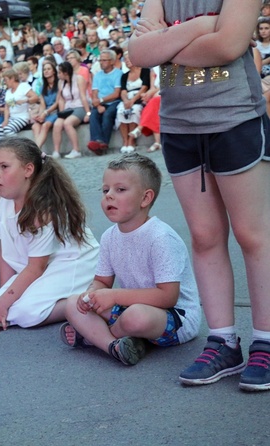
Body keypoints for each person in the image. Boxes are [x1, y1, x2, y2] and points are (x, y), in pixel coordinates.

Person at [130, 0, 270, 391]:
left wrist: (167, 42)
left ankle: (266, 342)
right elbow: (140, 54)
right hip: (179, 127)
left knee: (252, 234)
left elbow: (228, 46)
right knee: (206, 237)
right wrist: (201, 26)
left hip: (235, 117)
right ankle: (223, 340)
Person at [62, 154, 201, 365]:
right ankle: (115, 347)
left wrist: (113, 296)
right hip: (129, 308)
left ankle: (97, 337)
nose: (109, 195)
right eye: (105, 190)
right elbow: (102, 281)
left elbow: (168, 297)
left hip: (174, 318)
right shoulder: (110, 236)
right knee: (72, 303)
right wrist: (91, 294)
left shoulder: (161, 237)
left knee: (137, 316)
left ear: (145, 198)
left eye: (120, 190)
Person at [0, 137, 99, 333]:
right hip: (40, 265)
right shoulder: (1, 201)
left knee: (27, 314)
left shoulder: (42, 211)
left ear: (28, 170)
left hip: (71, 262)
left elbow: (36, 268)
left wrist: (5, 302)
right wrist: (3, 294)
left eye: (4, 167)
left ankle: (83, 302)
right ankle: (59, 298)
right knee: (7, 305)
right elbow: (4, 252)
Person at [52, 62, 90, 159]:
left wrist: (88, 113)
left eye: (59, 72)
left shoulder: (79, 79)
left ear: (65, 73)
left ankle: (76, 150)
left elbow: (83, 96)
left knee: (67, 123)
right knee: (57, 124)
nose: (58, 75)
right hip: (67, 108)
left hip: (80, 106)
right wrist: (61, 113)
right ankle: (56, 151)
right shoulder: (61, 82)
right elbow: (61, 99)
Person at [116, 47, 150, 154]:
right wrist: (126, 100)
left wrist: (133, 101)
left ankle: (131, 140)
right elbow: (123, 91)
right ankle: (125, 141)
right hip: (127, 99)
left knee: (134, 110)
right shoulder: (125, 76)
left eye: (128, 59)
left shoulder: (144, 71)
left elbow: (144, 87)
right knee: (120, 111)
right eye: (125, 60)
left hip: (139, 98)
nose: (126, 61)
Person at [0, 69, 38, 138]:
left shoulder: (23, 86)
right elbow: (7, 107)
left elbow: (35, 97)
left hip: (22, 117)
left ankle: (18, 146)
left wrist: (25, 100)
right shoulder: (8, 91)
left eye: (6, 80)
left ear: (12, 78)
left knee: (8, 129)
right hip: (12, 117)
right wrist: (6, 120)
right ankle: (4, 148)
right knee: (0, 129)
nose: (5, 82)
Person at [31, 60, 60, 152]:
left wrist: (45, 113)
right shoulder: (42, 87)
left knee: (45, 125)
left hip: (56, 112)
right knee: (35, 126)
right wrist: (40, 115)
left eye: (48, 69)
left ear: (54, 71)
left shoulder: (59, 84)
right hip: (46, 112)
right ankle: (39, 150)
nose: (46, 71)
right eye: (44, 70)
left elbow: (57, 103)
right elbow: (42, 104)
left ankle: (36, 151)